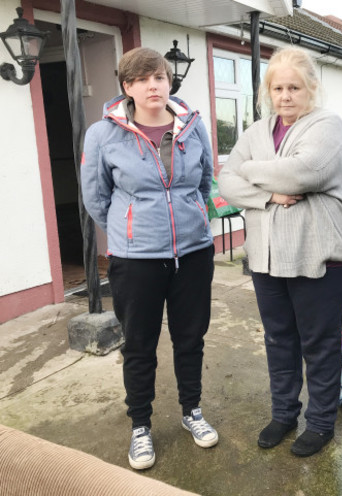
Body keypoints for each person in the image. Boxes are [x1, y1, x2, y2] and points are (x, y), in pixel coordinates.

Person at [81, 47, 218, 470]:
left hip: (193, 253)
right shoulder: (102, 135)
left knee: (190, 339)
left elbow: (205, 181)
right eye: (141, 80)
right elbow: (96, 197)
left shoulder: (192, 126)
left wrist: (190, 221)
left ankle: (191, 411)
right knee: (139, 345)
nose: (152, 85)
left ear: (168, 81)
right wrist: (132, 228)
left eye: (158, 77)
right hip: (136, 259)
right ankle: (141, 424)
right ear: (127, 87)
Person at [219, 46, 342, 457]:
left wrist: (251, 170)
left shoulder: (326, 125)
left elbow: (305, 172)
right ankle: (284, 415)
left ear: (311, 87)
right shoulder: (257, 132)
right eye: (277, 88)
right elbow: (225, 180)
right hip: (265, 257)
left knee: (319, 343)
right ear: (267, 91)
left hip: (319, 257)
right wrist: (268, 195)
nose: (285, 96)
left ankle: (320, 422)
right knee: (279, 340)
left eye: (294, 87)